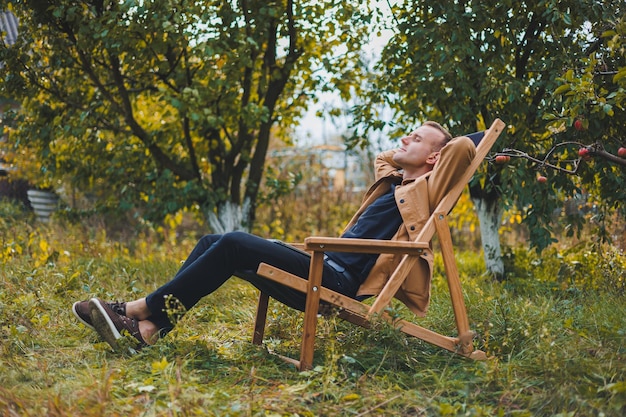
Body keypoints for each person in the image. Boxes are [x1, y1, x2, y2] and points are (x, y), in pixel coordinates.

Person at [72, 121, 476, 351]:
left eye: (417, 138)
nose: (404, 138)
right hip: (325, 266)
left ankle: (136, 308)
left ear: (435, 158)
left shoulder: (425, 191)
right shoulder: (389, 184)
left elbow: (459, 149)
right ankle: (148, 330)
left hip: (337, 279)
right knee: (214, 239)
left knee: (233, 243)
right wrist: (415, 145)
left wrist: (484, 142)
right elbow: (385, 157)